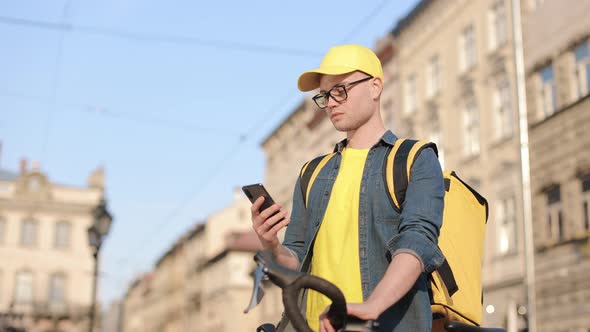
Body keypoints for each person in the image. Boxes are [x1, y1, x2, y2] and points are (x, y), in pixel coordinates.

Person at [250, 44, 445, 332]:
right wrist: (271, 244)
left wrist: (371, 307)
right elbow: (295, 258)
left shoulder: (414, 158)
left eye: (340, 90)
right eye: (325, 95)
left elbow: (418, 242)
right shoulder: (312, 172)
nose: (330, 103)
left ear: (375, 87)